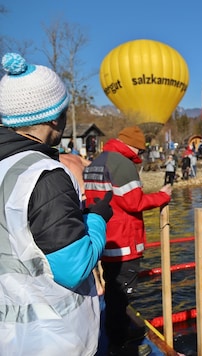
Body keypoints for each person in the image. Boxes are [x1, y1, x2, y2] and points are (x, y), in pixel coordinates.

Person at [0, 52, 113, 355]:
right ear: (53, 117)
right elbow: (73, 267)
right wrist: (97, 218)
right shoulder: (44, 174)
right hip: (53, 339)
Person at [83, 126, 172, 355]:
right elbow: (134, 202)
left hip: (105, 237)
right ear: (134, 145)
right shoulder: (122, 164)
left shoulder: (97, 161)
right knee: (121, 294)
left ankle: (118, 335)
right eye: (140, 150)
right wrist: (163, 195)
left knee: (113, 289)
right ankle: (120, 345)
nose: (140, 155)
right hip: (124, 240)